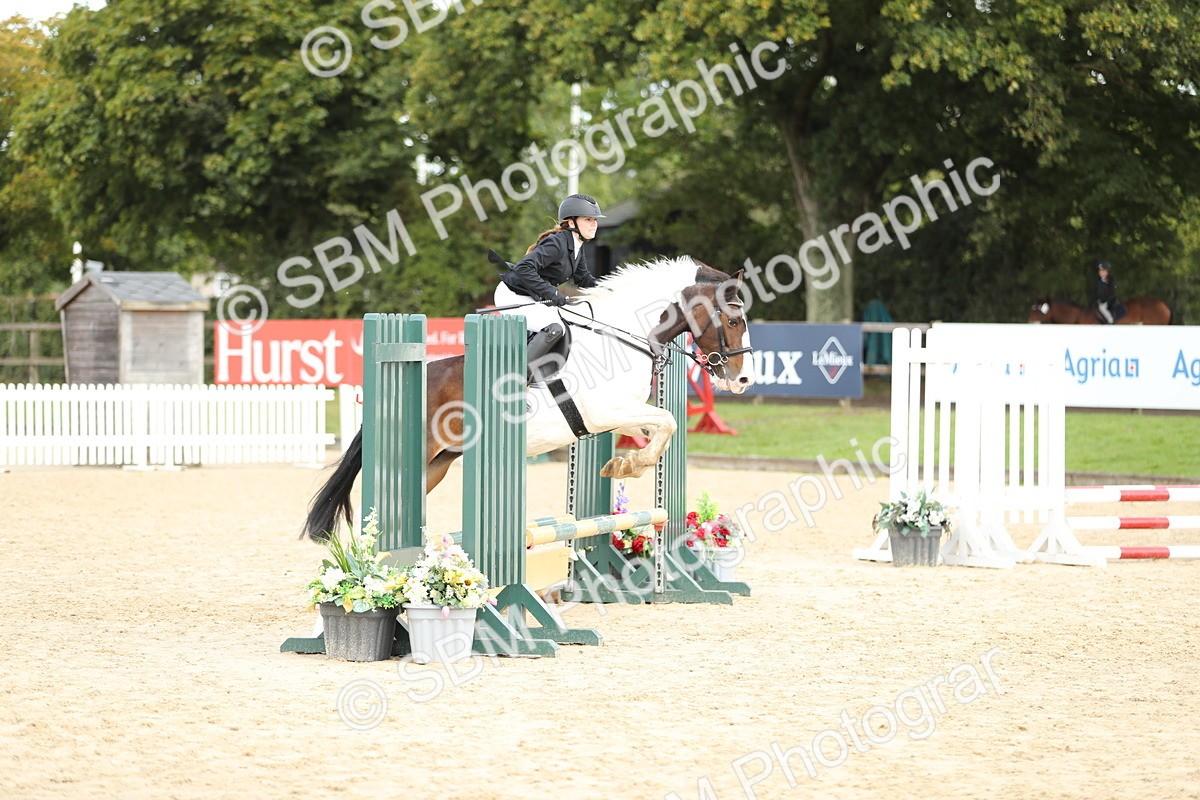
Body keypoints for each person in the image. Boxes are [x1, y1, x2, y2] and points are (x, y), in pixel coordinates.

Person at [493, 193, 605, 379]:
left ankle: (545, 376)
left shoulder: (577, 245)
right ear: (571, 223)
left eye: (594, 220)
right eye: (588, 219)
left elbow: (584, 278)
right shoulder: (557, 243)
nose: (594, 224)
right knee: (554, 328)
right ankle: (518, 380)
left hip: (532, 295)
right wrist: (552, 293)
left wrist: (609, 289)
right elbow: (524, 268)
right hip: (513, 294)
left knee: (569, 326)